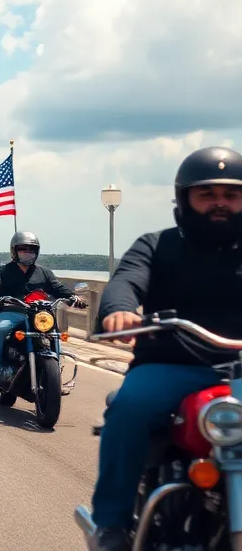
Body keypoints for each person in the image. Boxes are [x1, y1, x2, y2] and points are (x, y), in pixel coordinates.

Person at [89, 147, 242, 551]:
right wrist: (120, 310)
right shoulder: (157, 245)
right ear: (185, 198)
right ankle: (111, 524)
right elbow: (126, 281)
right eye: (207, 194)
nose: (220, 203)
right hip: (174, 363)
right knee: (128, 409)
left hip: (239, 370)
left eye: (231, 195)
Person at [0, 230, 84, 386]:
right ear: (14, 251)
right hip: (11, 311)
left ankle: (56, 371)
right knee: (0, 329)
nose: (27, 253)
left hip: (37, 314)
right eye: (23, 249)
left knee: (54, 334)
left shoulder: (44, 273)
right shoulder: (2, 271)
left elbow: (58, 288)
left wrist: (73, 297)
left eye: (31, 250)